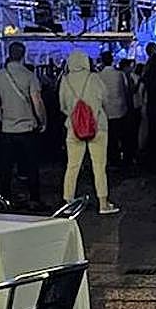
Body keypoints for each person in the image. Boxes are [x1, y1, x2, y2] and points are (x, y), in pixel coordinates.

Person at [59, 49, 119, 214]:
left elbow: (62, 106)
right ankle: (103, 203)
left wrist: (74, 113)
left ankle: (69, 202)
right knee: (99, 166)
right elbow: (105, 99)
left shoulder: (65, 80)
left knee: (72, 166)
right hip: (98, 126)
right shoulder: (94, 78)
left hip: (73, 128)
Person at [0, 41, 46, 208]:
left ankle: (5, 198)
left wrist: (4, 120)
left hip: (7, 129)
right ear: (24, 55)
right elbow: (37, 102)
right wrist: (42, 121)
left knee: (6, 168)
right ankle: (34, 199)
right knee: (31, 166)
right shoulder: (29, 76)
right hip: (27, 128)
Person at [97, 50, 131, 167]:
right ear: (112, 60)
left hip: (105, 111)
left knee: (109, 137)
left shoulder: (98, 76)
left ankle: (111, 158)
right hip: (120, 109)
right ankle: (123, 159)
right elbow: (126, 90)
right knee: (121, 135)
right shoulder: (120, 74)